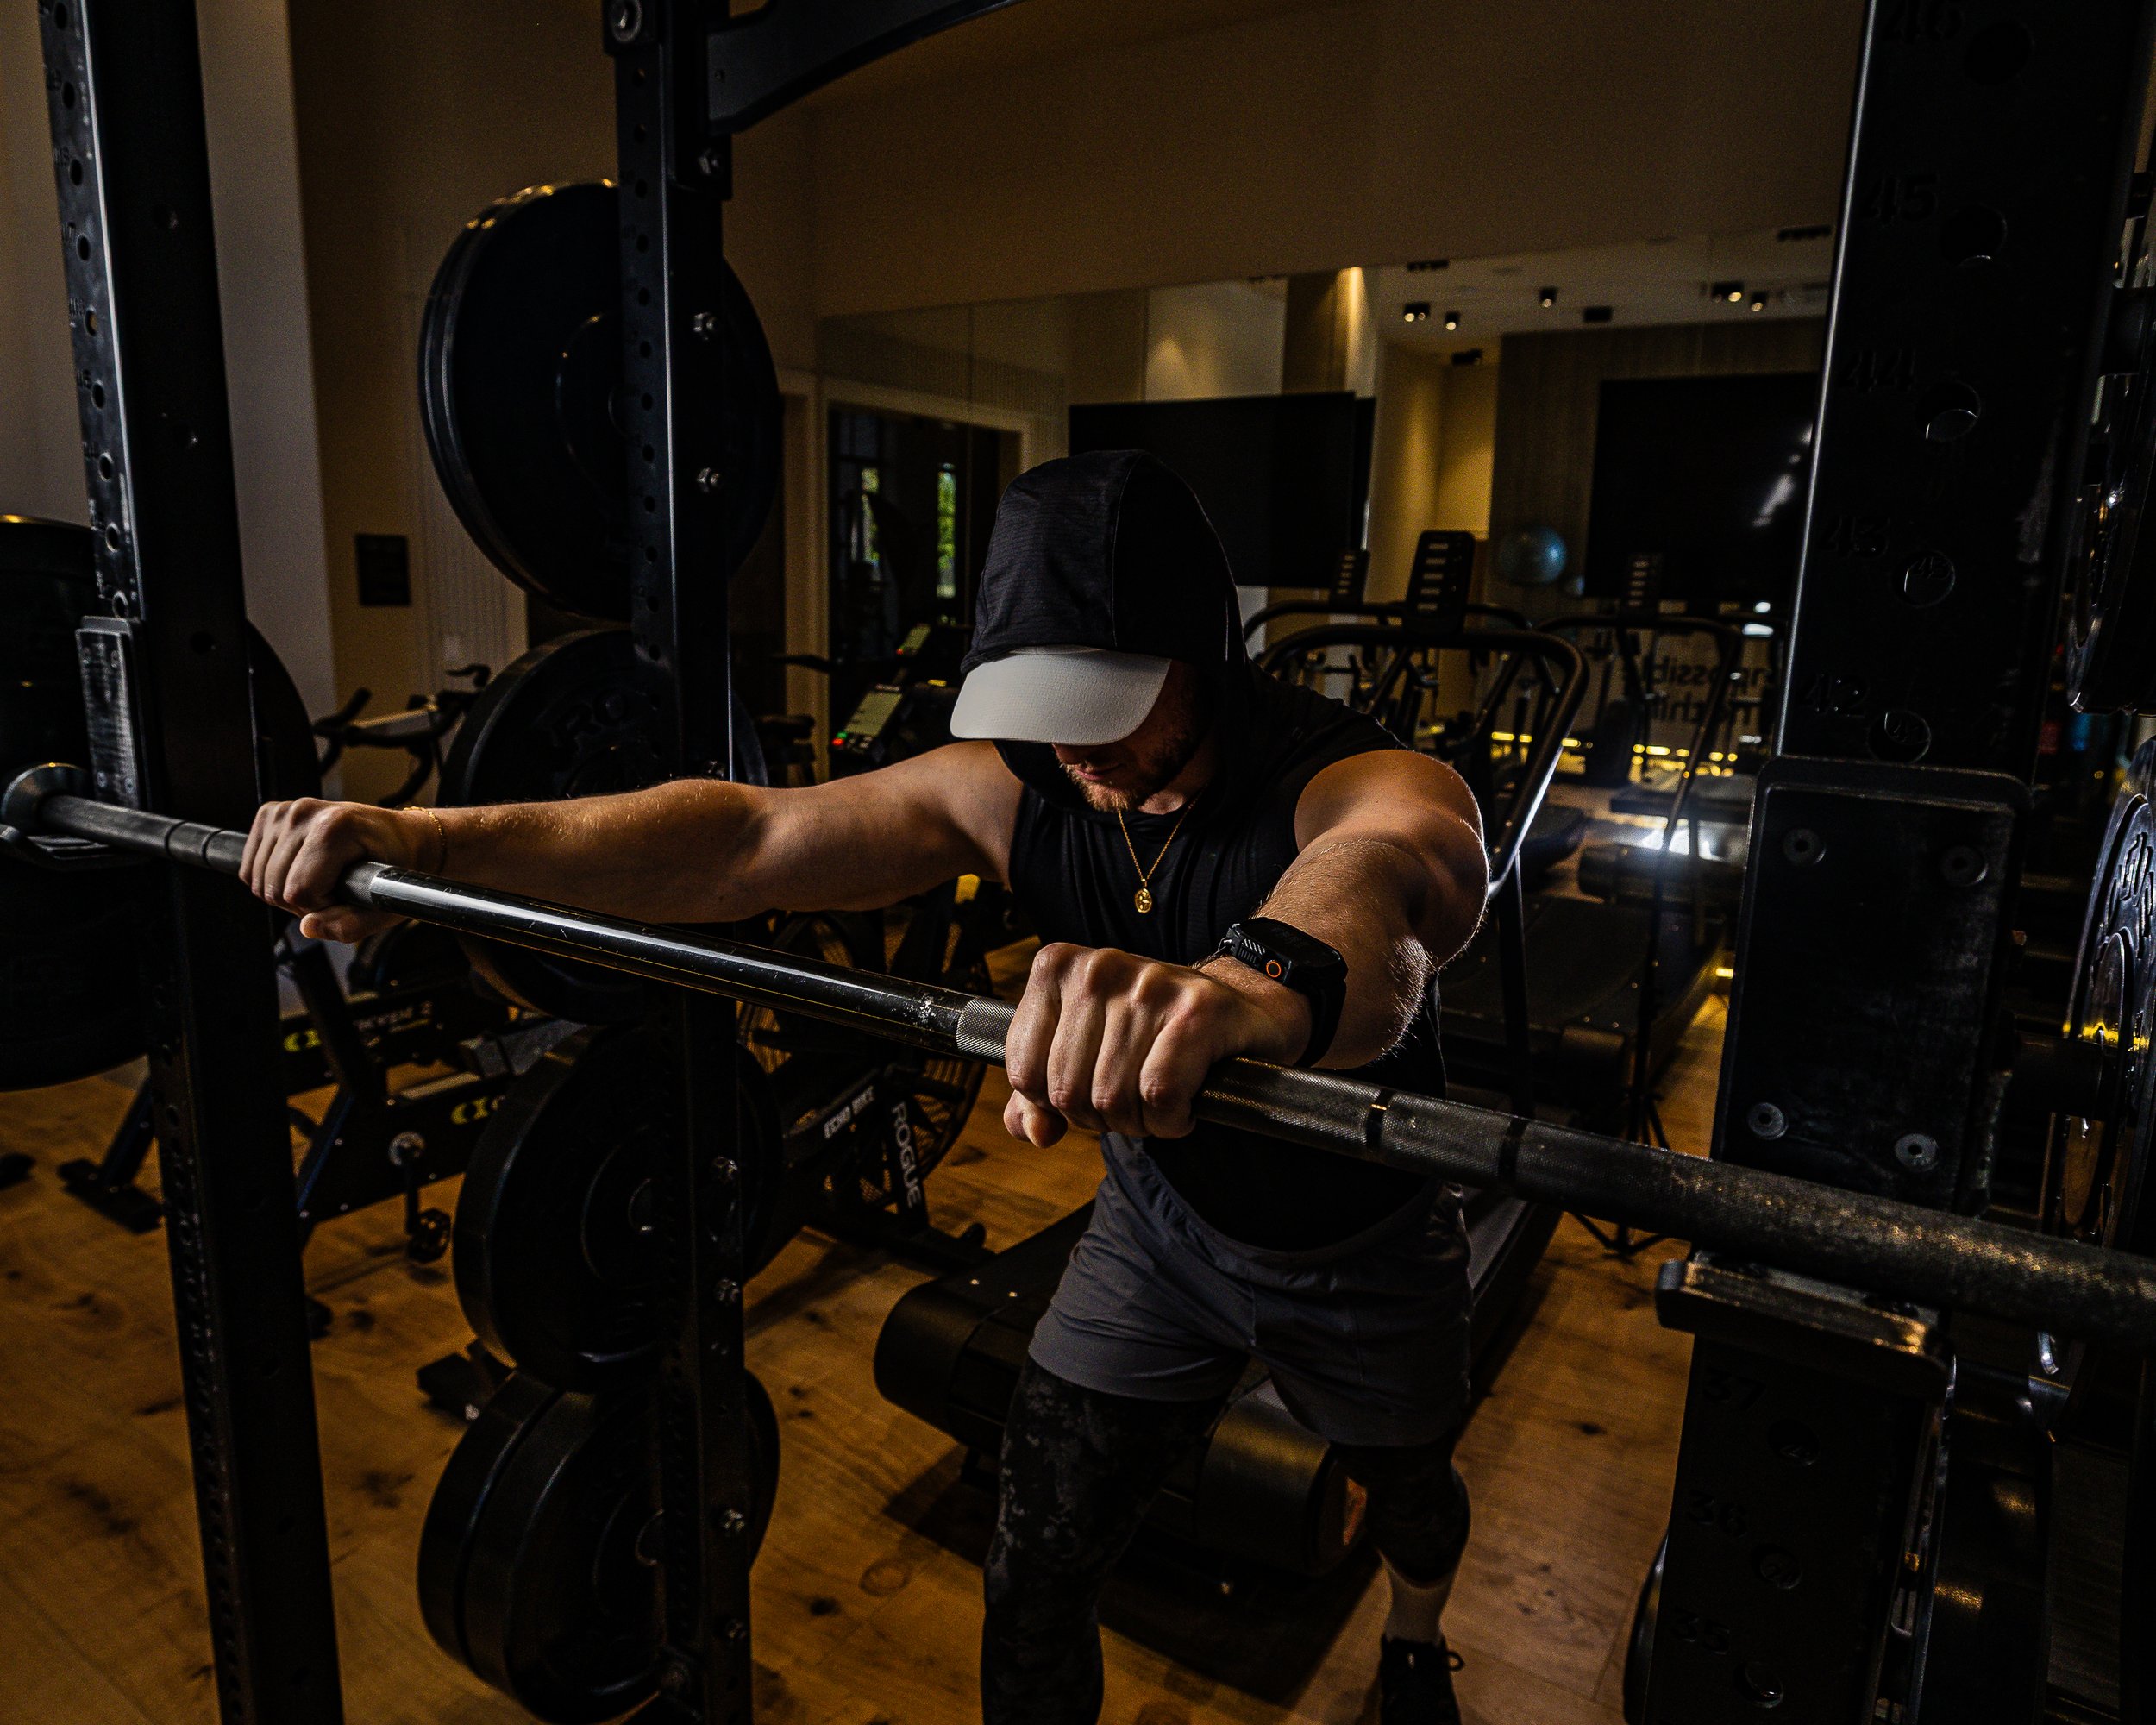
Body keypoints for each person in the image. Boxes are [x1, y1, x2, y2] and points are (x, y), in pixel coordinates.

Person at [241, 450, 1491, 1724]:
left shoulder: (1350, 776)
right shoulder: (1019, 786)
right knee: (1036, 1566)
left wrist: (1249, 989)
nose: (1074, 741)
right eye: (1044, 699)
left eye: (1110, 698)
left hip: (1361, 1236)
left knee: (1410, 1494)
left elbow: (1396, 878)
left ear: (1202, 656)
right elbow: (748, 839)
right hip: (1160, 1233)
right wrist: (426, 838)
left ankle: (1416, 1639)